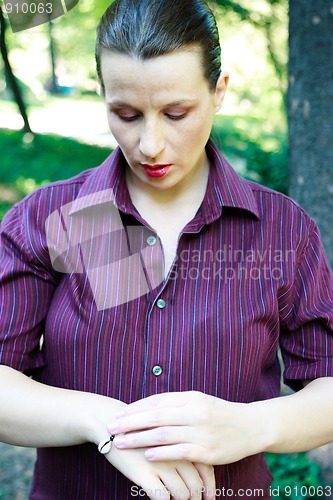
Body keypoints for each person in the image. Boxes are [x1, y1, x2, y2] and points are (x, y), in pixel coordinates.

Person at [0, 0, 333, 498]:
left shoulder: (282, 230)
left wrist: (251, 425)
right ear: (102, 94)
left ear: (219, 91)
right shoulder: (52, 220)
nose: (150, 144)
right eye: (126, 114)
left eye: (176, 113)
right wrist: (105, 424)